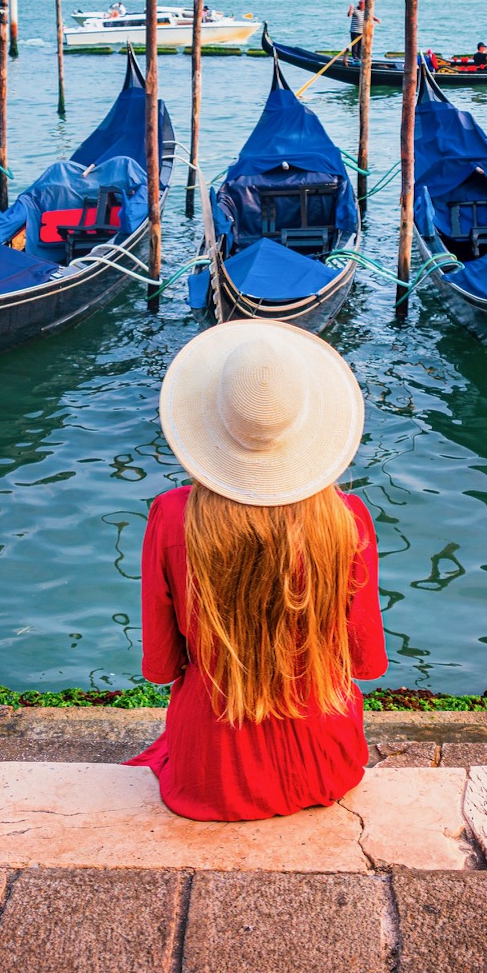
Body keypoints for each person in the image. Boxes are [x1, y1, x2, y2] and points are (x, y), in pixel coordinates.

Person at [127, 322, 386, 821]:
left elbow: (161, 668)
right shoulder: (348, 519)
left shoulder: (172, 515)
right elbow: (366, 661)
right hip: (325, 761)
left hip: (211, 771)